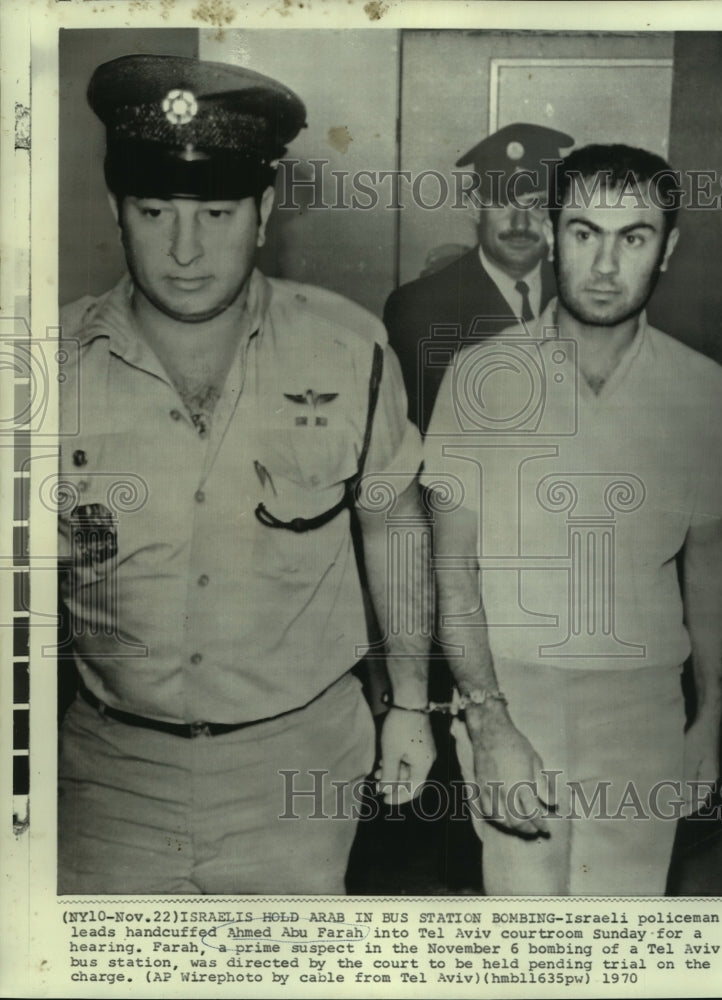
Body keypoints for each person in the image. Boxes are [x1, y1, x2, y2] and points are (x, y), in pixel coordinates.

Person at [57, 53, 434, 895]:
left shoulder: (348, 346)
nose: (184, 250)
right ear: (117, 210)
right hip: (111, 771)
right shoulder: (43, 367)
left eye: (217, 213)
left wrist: (410, 702)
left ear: (264, 212)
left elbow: (393, 523)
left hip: (299, 763)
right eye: (154, 211)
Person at [422, 144, 722, 895]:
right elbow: (450, 566)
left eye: (632, 237)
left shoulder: (703, 389)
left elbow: (711, 562)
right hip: (516, 692)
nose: (606, 264)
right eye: (583, 232)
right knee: (527, 937)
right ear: (548, 230)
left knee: (622, 936)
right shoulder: (481, 376)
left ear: (667, 248)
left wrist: (712, 720)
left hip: (644, 703)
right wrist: (488, 719)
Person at [383, 122, 573, 433]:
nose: (519, 222)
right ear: (474, 206)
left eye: (536, 203)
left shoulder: (582, 296)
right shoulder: (418, 309)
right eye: (502, 202)